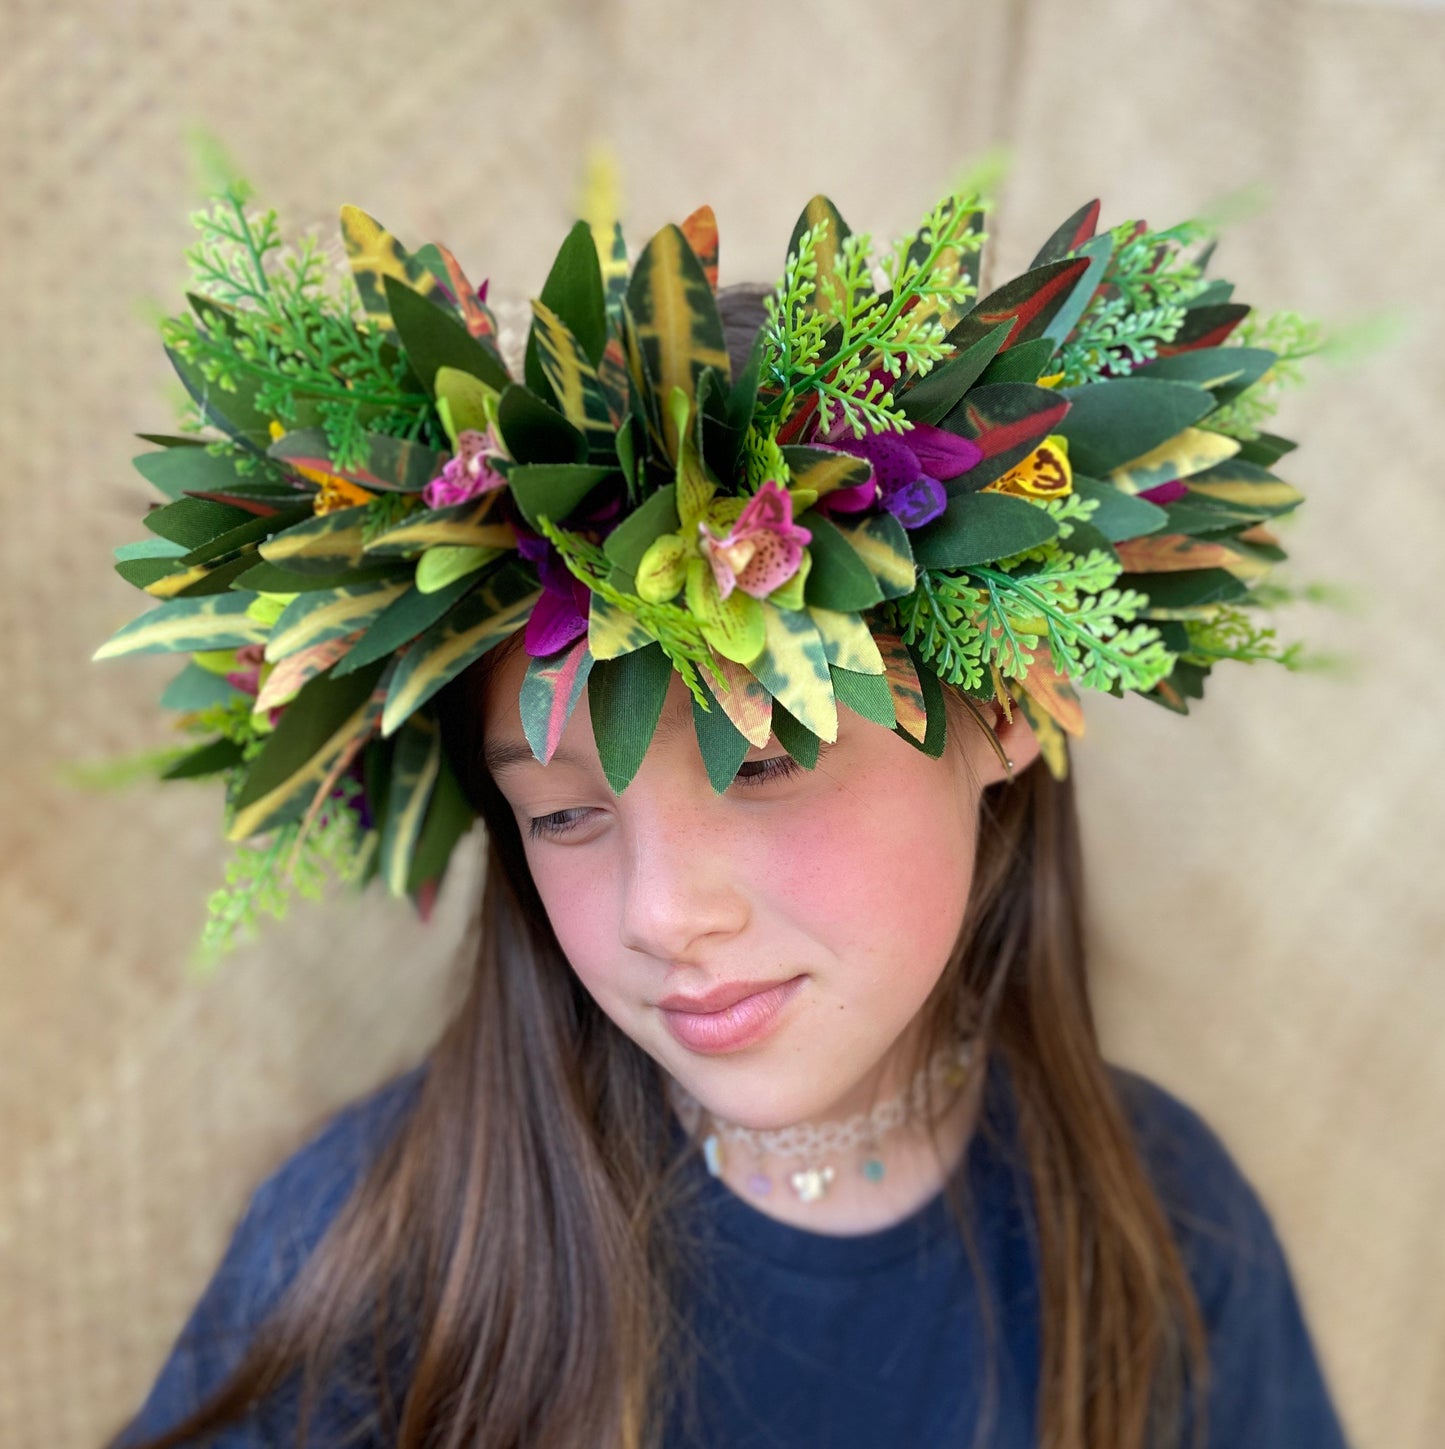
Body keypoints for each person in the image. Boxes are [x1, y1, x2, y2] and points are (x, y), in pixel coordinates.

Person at [101, 181, 1350, 1448]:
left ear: (1010, 706)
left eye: (756, 765)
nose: (660, 916)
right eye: (563, 817)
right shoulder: (368, 1254)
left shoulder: (1168, 1230)